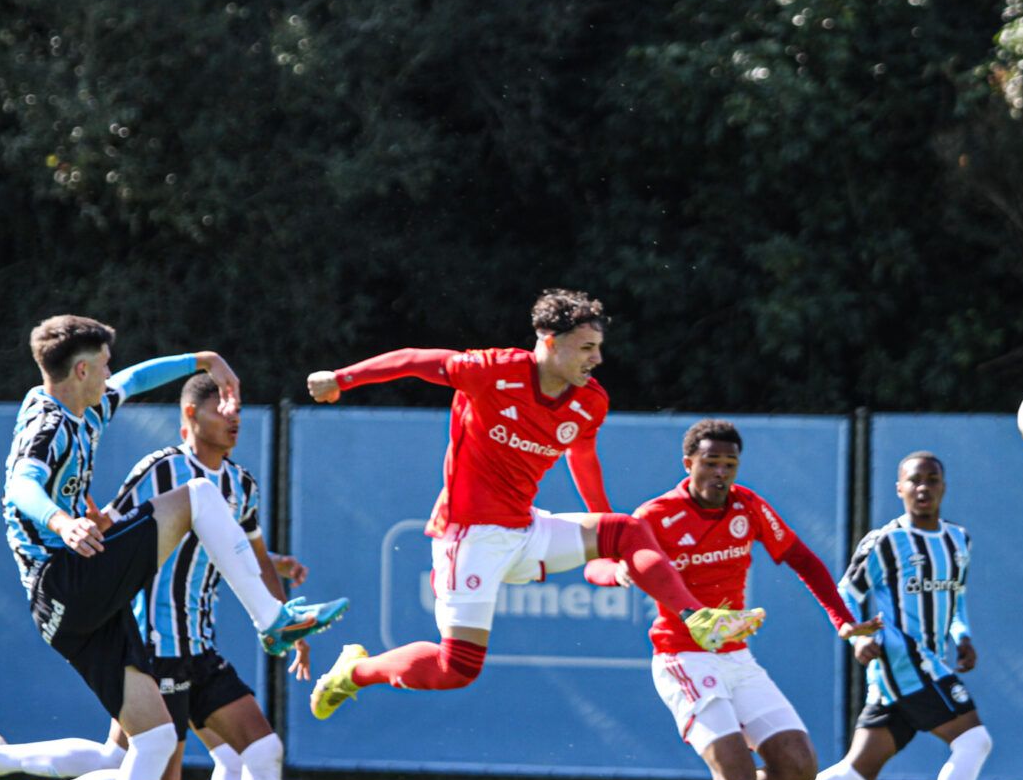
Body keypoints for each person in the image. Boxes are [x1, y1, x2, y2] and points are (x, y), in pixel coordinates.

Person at [0, 316, 350, 780]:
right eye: (102, 364)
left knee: (153, 742)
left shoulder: (85, 403)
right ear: (80, 370)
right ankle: (272, 622)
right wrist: (62, 519)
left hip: (72, 604)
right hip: (69, 579)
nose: (111, 374)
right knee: (197, 498)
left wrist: (202, 357)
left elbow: (134, 378)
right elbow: (23, 486)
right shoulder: (51, 424)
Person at [305, 289, 764, 718]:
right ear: (550, 342)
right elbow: (414, 360)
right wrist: (342, 379)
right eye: (586, 348)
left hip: (527, 530)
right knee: (456, 670)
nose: (597, 359)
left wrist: (609, 540)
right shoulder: (494, 370)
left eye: (598, 347)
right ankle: (355, 671)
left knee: (624, 528)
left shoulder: (589, 401)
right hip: (469, 536)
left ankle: (696, 617)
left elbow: (583, 461)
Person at [582, 419, 880, 780]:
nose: (721, 473)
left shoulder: (748, 505)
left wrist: (843, 623)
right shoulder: (655, 515)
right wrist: (619, 573)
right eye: (711, 462)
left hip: (735, 657)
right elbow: (597, 563)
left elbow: (803, 559)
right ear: (688, 464)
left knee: (798, 768)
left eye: (729, 464)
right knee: (736, 779)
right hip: (682, 657)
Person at [732, 451, 992, 780]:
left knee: (857, 771)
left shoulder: (958, 541)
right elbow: (845, 592)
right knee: (974, 741)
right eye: (915, 480)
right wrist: (855, 637)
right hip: (903, 660)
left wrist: (962, 634)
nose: (924, 488)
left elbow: (957, 600)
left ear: (944, 486)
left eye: (932, 479)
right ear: (900, 488)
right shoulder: (885, 542)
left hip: (927, 661)